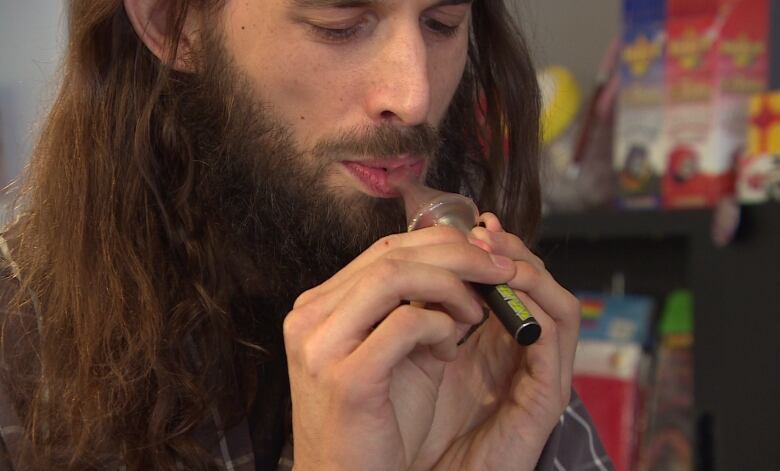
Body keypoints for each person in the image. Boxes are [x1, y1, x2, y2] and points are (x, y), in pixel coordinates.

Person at [0, 1, 612, 469]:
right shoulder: (17, 350)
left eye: (442, 22)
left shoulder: (483, 352)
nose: (415, 97)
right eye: (339, 23)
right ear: (173, 21)